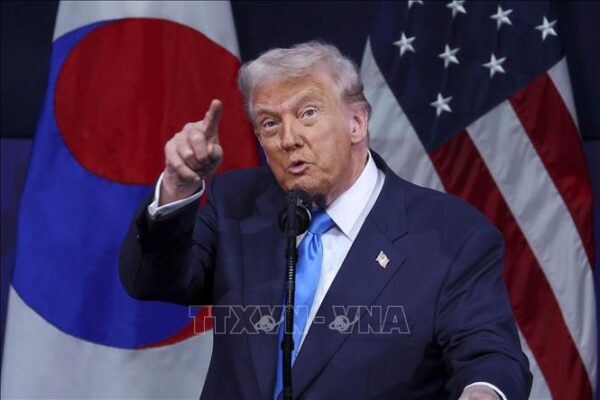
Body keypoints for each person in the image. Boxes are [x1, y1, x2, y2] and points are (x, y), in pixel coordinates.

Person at [119, 41, 531, 399]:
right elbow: (151, 281)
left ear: (357, 122)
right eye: (269, 123)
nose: (289, 139)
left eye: (308, 113)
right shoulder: (237, 204)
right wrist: (177, 187)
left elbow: (490, 356)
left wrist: (482, 392)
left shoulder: (451, 235)